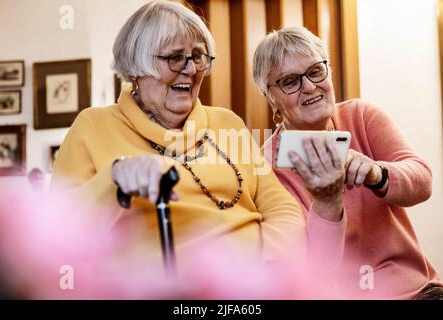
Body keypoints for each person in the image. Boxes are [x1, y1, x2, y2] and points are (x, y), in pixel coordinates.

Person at [51, 1, 346, 280]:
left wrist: (267, 268)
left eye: (197, 56)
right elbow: (56, 232)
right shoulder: (94, 126)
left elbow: (281, 209)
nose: (191, 69)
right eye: (175, 57)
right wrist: (114, 179)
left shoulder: (226, 123)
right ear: (136, 68)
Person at [253, 26, 443, 299]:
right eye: (290, 81)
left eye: (316, 71)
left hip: (414, 291)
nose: (309, 87)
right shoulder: (265, 166)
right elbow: (312, 266)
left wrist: (377, 173)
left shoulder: (362, 116)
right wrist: (326, 202)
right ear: (271, 97)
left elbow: (423, 182)